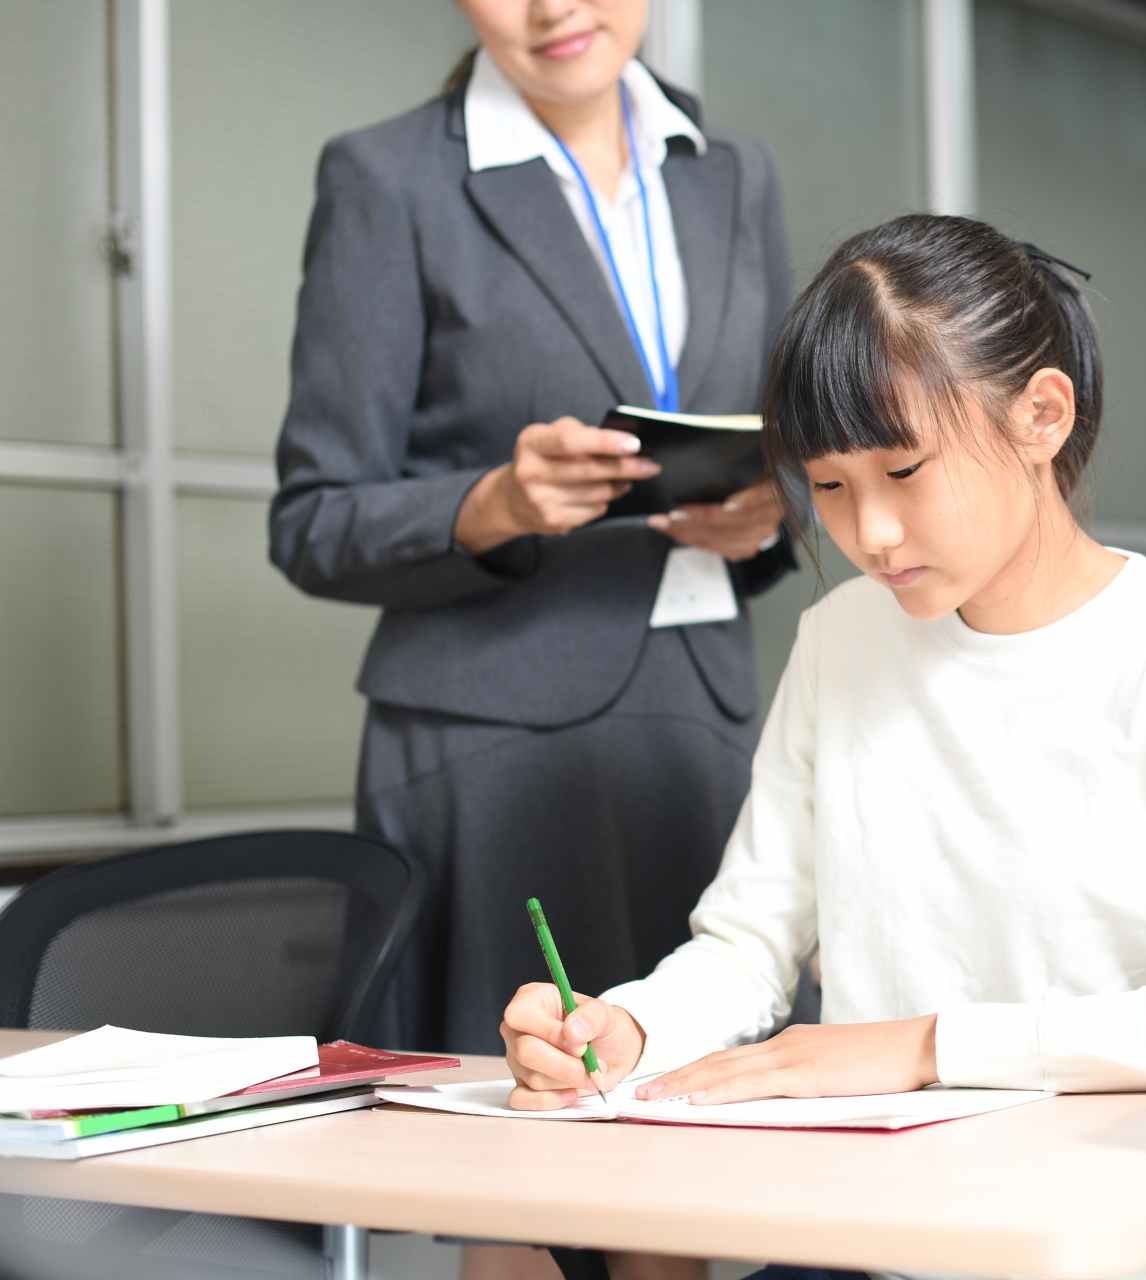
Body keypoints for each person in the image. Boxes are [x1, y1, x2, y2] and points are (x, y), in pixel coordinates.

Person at [501, 215, 1146, 1280]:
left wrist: (925, 1047)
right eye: (828, 486)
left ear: (1042, 415)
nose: (871, 534)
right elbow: (745, 946)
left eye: (904, 470)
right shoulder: (840, 642)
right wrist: (629, 1025)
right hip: (892, 1216)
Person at [269, 0, 795, 1083]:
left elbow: (785, 442)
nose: (555, 6)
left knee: (698, 1123)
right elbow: (311, 517)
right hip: (493, 737)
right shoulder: (391, 178)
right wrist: (494, 503)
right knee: (527, 1139)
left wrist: (770, 513)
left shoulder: (734, 172)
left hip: (700, 722)